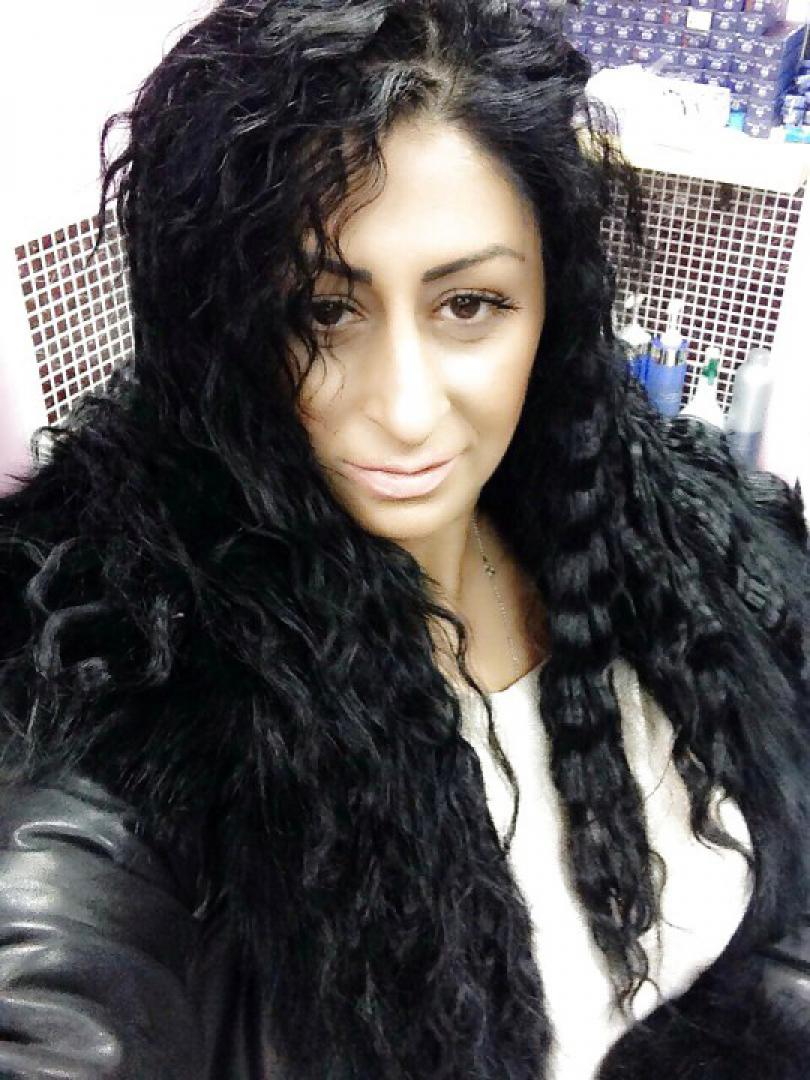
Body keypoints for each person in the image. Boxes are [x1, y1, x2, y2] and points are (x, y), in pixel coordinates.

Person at [0, 1, 808, 1077]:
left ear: (553, 309)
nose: (409, 409)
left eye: (469, 304)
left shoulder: (682, 538)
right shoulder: (126, 677)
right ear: (220, 329)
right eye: (322, 312)